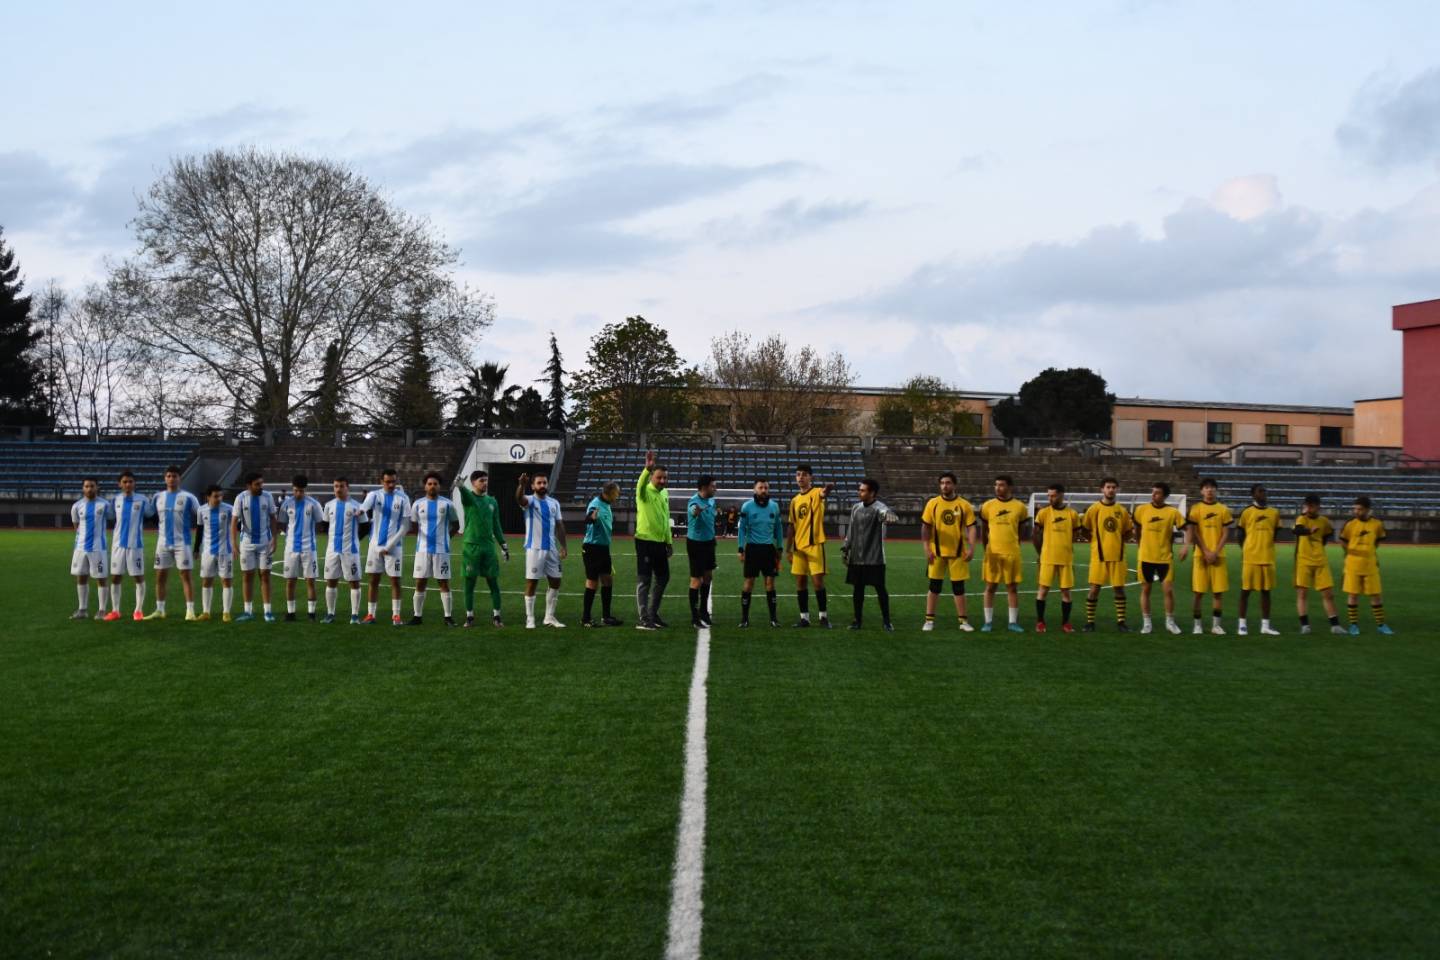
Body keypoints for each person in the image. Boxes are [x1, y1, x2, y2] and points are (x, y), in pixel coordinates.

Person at [920, 471, 977, 631]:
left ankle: (963, 622)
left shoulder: (964, 505)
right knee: (934, 587)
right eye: (942, 483)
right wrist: (926, 548)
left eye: (948, 483)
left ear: (954, 485)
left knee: (959, 588)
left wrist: (972, 548)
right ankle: (929, 620)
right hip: (936, 553)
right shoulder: (933, 503)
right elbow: (925, 527)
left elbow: (972, 527)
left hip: (958, 554)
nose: (945, 486)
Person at [842, 477, 898, 631]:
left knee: (880, 589)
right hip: (857, 557)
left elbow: (885, 513)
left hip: (875, 558)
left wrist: (889, 515)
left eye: (862, 490)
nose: (859, 492)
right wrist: (846, 547)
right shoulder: (856, 508)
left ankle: (887, 621)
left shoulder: (879, 507)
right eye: (859, 490)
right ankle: (857, 621)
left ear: (872, 493)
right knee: (857, 590)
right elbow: (851, 528)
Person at [147, 465, 201, 621]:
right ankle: (160, 610)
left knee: (186, 576)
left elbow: (201, 517)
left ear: (179, 478)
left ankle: (190, 611)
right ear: (165, 478)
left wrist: (197, 545)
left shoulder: (189, 497)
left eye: (174, 476)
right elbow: (151, 515)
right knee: (160, 577)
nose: (171, 479)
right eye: (169, 476)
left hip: (182, 543)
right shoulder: (157, 497)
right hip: (162, 544)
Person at [1081, 477, 1134, 632]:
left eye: (1113, 487)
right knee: (1094, 589)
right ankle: (1090, 622)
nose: (1111, 490)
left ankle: (1121, 622)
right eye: (1108, 487)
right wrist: (1095, 542)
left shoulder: (1122, 511)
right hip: (1099, 556)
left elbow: (1129, 531)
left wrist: (1118, 542)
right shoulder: (1094, 509)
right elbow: (1085, 530)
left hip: (1118, 556)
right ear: (1102, 489)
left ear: (1117, 489)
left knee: (1119, 589)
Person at [458, 470, 509, 628]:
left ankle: (497, 616)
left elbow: (496, 525)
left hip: (488, 547)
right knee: (470, 583)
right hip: (471, 547)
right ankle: (469, 616)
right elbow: (465, 495)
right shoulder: (469, 499)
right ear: (473, 483)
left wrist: (503, 544)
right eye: (481, 480)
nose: (485, 483)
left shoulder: (492, 501)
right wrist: (460, 487)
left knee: (493, 582)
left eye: (486, 480)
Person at [1181, 477, 1233, 635]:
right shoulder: (1196, 509)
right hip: (1200, 556)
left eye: (1212, 487)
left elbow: (1226, 533)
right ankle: (1197, 625)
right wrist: (1206, 551)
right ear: (1201, 491)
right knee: (1198, 593)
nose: (1209, 490)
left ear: (1216, 490)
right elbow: (1194, 532)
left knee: (1218, 593)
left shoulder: (1223, 509)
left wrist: (1215, 552)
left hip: (1219, 556)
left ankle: (1216, 625)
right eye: (1206, 487)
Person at [1132, 482, 1185, 634]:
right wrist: (1140, 545)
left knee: (1168, 590)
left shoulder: (1172, 512)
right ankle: (1147, 623)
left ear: (1165, 496)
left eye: (1158, 493)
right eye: (1153, 492)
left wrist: (1185, 546)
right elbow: (1137, 528)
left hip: (1165, 558)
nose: (1153, 495)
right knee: (1146, 590)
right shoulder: (1141, 509)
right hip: (1146, 557)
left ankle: (1170, 622)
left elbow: (1187, 528)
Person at [360, 468, 410, 626]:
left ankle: (396, 615)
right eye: (388, 482)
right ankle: (371, 614)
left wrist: (390, 545)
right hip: (374, 546)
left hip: (394, 547)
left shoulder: (403, 498)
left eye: (393, 481)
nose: (391, 484)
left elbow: (405, 526)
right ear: (381, 481)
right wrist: (359, 511)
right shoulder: (374, 495)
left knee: (395, 580)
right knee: (373, 580)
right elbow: (364, 507)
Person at [516, 471, 566, 629]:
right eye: (539, 483)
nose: (542, 485)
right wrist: (521, 485)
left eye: (544, 482)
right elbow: (519, 498)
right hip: (534, 548)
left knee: (556, 581)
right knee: (532, 583)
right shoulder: (530, 500)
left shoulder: (554, 503)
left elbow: (559, 525)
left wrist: (564, 546)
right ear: (533, 486)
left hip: (552, 549)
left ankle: (549, 617)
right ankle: (530, 618)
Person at [787, 463, 834, 628]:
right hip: (798, 547)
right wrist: (788, 549)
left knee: (817, 582)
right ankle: (804, 618)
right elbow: (791, 525)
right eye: (798, 474)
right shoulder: (794, 500)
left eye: (804, 474)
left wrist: (828, 489)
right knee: (800, 582)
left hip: (814, 545)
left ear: (810, 477)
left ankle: (823, 617)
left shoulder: (816, 492)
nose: (800, 477)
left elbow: (824, 493)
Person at [409, 471, 459, 627]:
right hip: (422, 550)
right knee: (420, 582)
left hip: (441, 550)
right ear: (425, 486)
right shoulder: (417, 504)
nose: (432, 486)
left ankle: (448, 617)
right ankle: (417, 616)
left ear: (439, 486)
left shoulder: (448, 504)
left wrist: (445, 538)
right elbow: (414, 524)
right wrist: (423, 538)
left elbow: (456, 525)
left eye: (435, 484)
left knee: (443, 582)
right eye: (429, 484)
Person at [979, 475, 1028, 633]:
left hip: (1012, 552)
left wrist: (1015, 545)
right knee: (990, 587)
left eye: (1001, 485)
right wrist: (986, 549)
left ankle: (1012, 622)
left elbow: (1021, 531)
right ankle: (988, 622)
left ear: (1009, 487)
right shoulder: (987, 506)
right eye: (996, 485)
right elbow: (983, 530)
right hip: (993, 552)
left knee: (1012, 588)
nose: (997, 488)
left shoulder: (1020, 507)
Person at [1292, 494, 1346, 635]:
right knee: (1302, 594)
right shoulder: (1302, 519)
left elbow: (1327, 535)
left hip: (1321, 561)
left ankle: (1335, 626)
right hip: (1303, 561)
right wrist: (1309, 531)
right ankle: (1305, 626)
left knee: (1328, 594)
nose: (1310, 508)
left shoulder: (1324, 521)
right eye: (1308, 505)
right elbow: (1297, 530)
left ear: (1318, 506)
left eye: (1312, 506)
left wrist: (1318, 546)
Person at [1339, 495, 1393, 635]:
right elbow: (1343, 541)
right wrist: (1350, 553)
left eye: (1360, 509)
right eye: (1355, 509)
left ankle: (1381, 625)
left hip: (1370, 564)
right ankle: (1353, 625)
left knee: (1376, 595)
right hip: (1353, 565)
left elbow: (1378, 540)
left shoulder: (1377, 524)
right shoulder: (1350, 524)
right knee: (1353, 595)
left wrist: (1369, 552)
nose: (1356, 511)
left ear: (1368, 509)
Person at [232, 472, 280, 622]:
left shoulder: (268, 496)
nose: (261, 486)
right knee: (247, 575)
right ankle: (248, 611)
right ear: (249, 485)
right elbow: (234, 521)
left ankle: (268, 612)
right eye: (257, 484)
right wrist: (233, 543)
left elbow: (273, 518)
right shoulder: (240, 498)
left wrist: (274, 539)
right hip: (246, 543)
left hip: (265, 543)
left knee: (265, 575)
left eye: (261, 483)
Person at [1032, 483, 1080, 633]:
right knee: (1043, 590)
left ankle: (1066, 623)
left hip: (1066, 559)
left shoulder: (1072, 514)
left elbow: (1075, 534)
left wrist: (1066, 547)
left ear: (1061, 495)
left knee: (1066, 592)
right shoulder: (1043, 513)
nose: (1050, 498)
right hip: (1047, 558)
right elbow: (1036, 534)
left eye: (1053, 495)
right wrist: (1040, 553)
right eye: (1048, 495)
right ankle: (1040, 622)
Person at [107, 469, 154, 621]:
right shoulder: (115, 500)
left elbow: (151, 514)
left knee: (138, 577)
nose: (128, 484)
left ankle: (138, 610)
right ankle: (115, 610)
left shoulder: (142, 500)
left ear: (135, 483)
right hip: (118, 545)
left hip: (135, 545)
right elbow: (110, 516)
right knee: (116, 577)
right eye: (125, 482)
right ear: (119, 484)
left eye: (130, 482)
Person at [634, 450, 673, 630]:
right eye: (659, 478)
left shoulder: (664, 493)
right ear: (652, 478)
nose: (662, 481)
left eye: (665, 478)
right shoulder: (644, 492)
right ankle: (644, 618)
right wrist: (647, 469)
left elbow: (665, 518)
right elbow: (640, 485)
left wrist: (669, 542)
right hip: (645, 542)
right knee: (645, 580)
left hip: (660, 543)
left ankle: (652, 614)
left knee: (663, 577)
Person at [737, 478, 783, 628]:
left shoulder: (774, 506)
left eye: (766, 488)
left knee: (770, 583)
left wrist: (780, 547)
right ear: (754, 489)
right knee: (749, 583)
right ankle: (744, 619)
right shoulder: (747, 507)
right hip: (752, 549)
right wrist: (740, 548)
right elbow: (742, 529)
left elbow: (778, 529)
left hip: (769, 549)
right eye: (761, 488)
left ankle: (774, 618)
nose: (763, 490)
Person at [1236, 484, 1281, 636]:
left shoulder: (1274, 512)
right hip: (1250, 558)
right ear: (1253, 495)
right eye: (1260, 491)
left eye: (1264, 491)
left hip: (1267, 557)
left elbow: (1275, 533)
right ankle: (1242, 625)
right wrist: (1247, 549)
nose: (1263, 494)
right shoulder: (1247, 512)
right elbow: (1240, 534)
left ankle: (1265, 626)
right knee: (1245, 591)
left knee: (1266, 592)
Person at [280, 474, 324, 622]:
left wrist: (310, 535)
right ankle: (290, 612)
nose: (298, 493)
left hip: (309, 548)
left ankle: (311, 613)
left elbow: (320, 522)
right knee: (290, 581)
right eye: (296, 490)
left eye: (301, 491)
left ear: (306, 489)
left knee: (310, 581)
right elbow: (282, 523)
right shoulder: (286, 504)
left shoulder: (313, 504)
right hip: (291, 548)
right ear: (292, 489)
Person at [322, 476, 366, 624]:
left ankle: (354, 615)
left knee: (354, 582)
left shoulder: (357, 506)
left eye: (341, 486)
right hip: (332, 550)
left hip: (350, 550)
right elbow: (325, 525)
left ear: (347, 488)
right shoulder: (328, 506)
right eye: (336, 486)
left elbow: (365, 526)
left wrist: (355, 541)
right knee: (331, 581)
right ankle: (330, 614)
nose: (338, 489)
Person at [70, 477, 112, 620]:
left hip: (98, 548)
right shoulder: (76, 506)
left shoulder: (105, 505)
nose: (89, 489)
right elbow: (76, 527)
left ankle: (102, 610)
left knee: (101, 578)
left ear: (97, 487)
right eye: (86, 486)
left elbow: (111, 520)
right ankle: (82, 609)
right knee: (81, 577)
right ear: (83, 488)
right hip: (80, 548)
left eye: (92, 486)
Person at [581, 482, 622, 628]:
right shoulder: (595, 504)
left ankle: (606, 617)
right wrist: (591, 517)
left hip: (603, 548)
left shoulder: (607, 504)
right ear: (609, 493)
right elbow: (588, 518)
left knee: (607, 580)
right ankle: (586, 619)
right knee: (592, 582)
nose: (618, 496)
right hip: (592, 548)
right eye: (616, 493)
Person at [193, 484, 234, 621]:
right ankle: (206, 612)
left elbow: (236, 527)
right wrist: (196, 549)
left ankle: (226, 612)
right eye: (216, 496)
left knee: (226, 580)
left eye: (221, 496)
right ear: (208, 497)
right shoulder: (201, 510)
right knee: (206, 580)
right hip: (208, 552)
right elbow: (199, 530)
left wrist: (235, 545)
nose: (219, 499)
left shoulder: (229, 509)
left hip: (225, 551)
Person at [687, 475, 719, 627]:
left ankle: (704, 612)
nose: (715, 489)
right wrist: (696, 511)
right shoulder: (693, 501)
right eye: (713, 486)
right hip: (696, 544)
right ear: (705, 487)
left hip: (709, 542)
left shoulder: (712, 500)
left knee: (708, 577)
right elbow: (693, 510)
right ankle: (695, 618)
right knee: (696, 580)